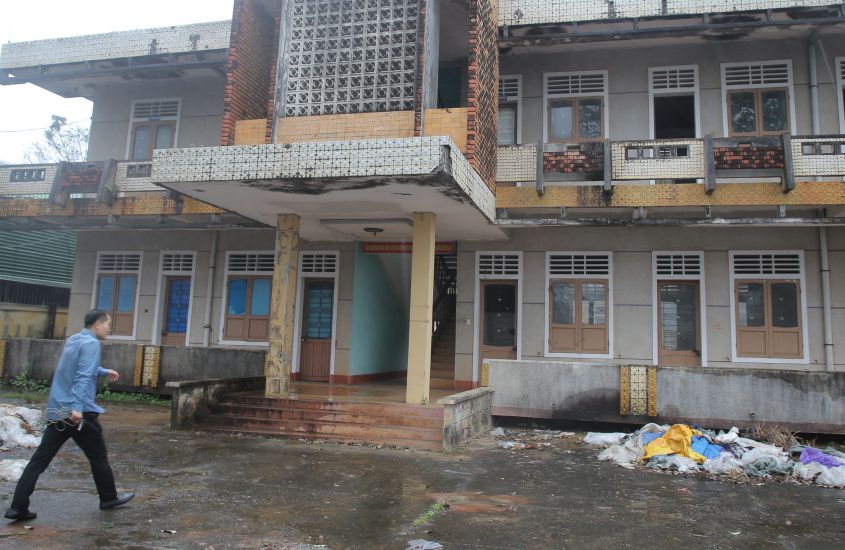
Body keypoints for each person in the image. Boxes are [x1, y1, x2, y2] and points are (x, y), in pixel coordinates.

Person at [5, 309, 135, 521]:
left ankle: (17, 507)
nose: (109, 327)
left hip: (58, 410)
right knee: (99, 455)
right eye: (107, 323)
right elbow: (82, 377)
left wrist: (102, 371)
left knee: (39, 460)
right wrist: (76, 408)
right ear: (97, 325)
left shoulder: (76, 339)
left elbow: (74, 367)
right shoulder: (92, 344)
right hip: (75, 413)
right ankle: (109, 498)